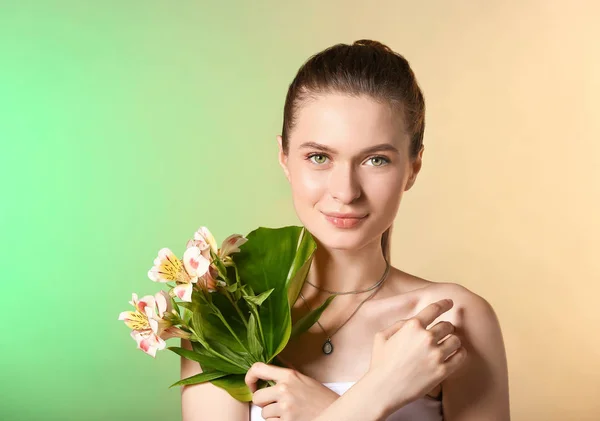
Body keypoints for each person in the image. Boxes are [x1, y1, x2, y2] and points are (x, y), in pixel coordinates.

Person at [181, 39, 510, 421]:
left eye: (375, 160)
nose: (345, 191)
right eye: (319, 157)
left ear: (413, 167)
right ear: (284, 158)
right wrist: (376, 393)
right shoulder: (224, 313)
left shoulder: (452, 321)